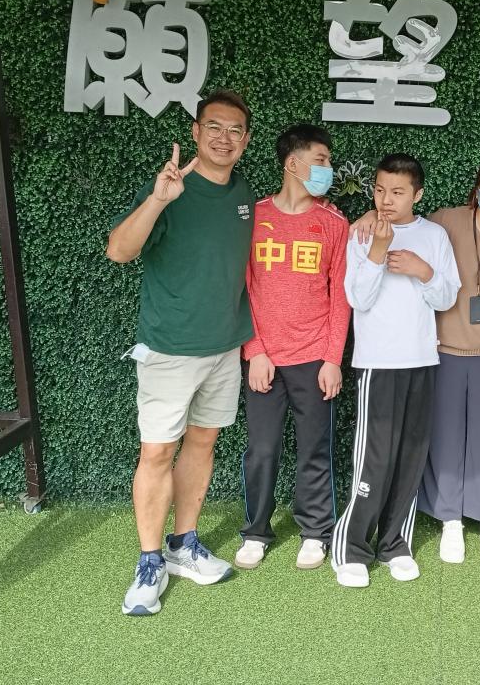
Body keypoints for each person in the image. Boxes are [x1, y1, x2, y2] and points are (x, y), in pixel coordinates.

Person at [106, 89, 255, 616]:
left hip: (224, 347)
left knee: (203, 443)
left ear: (245, 141)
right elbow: (119, 251)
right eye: (214, 127)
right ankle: (150, 561)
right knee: (157, 452)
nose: (224, 138)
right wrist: (158, 200)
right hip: (170, 348)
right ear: (195, 132)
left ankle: (182, 544)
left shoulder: (243, 192)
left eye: (235, 130)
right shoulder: (171, 189)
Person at [352, 157, 480, 564]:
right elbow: (401, 217)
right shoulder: (447, 221)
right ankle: (449, 518)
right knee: (445, 436)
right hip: (444, 348)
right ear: (477, 189)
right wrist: (369, 215)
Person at [331, 154, 461, 588]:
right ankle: (351, 547)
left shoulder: (434, 235)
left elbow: (446, 297)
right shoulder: (362, 232)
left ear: (417, 195)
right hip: (378, 363)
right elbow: (357, 298)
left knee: (410, 455)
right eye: (380, 190)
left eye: (398, 192)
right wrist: (377, 252)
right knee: (375, 457)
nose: (386, 199)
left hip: (422, 359)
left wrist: (423, 271)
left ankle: (394, 544)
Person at [236, 124, 349, 573]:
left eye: (328, 161)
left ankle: (316, 532)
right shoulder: (253, 217)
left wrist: (332, 359)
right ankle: (256, 531)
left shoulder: (334, 223)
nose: (327, 168)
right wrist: (255, 350)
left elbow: (340, 298)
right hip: (264, 360)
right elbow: (242, 287)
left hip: (314, 359)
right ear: (292, 163)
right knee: (262, 450)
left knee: (314, 449)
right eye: (320, 160)